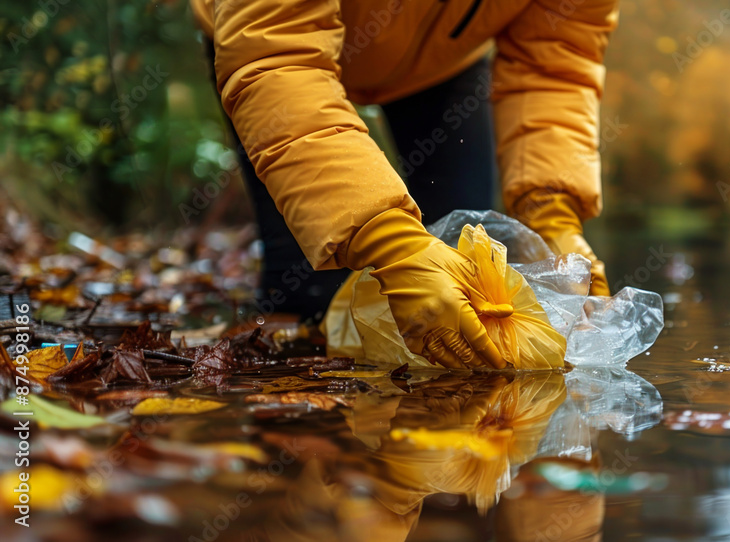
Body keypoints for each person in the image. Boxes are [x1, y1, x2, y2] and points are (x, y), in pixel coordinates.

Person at [190, 0, 617, 369]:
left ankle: (436, 441)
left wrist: (552, 212)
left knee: (470, 290)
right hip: (274, 49)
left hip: (442, 63)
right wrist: (392, 243)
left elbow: (555, 61)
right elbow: (277, 56)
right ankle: (299, 435)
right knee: (306, 291)